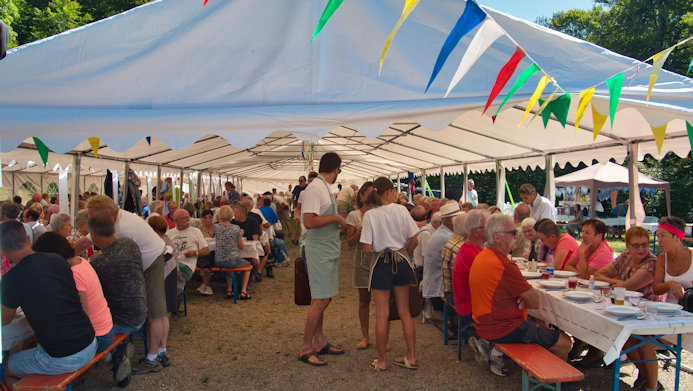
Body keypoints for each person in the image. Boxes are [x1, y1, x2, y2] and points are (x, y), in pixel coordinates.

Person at [73, 195, 169, 374]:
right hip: (147, 260)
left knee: (156, 312)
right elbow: (89, 239)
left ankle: (153, 357)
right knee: (157, 310)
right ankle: (161, 351)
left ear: (107, 214)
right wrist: (68, 251)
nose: (90, 219)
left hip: (152, 260)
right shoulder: (114, 221)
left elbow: (97, 244)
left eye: (92, 215)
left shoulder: (125, 229)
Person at [469, 214, 572, 376]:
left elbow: (516, 296)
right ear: (496, 237)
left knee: (541, 325)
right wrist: (524, 297)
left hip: (485, 323)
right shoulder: (504, 265)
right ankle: (548, 382)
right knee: (565, 342)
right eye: (512, 232)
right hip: (503, 328)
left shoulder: (483, 256)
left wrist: (521, 297)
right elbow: (534, 302)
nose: (518, 235)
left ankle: (541, 373)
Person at [1, 221, 97, 388]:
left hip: (64, 357)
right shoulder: (56, 259)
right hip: (90, 342)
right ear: (27, 238)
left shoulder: (12, 279)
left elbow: (4, 319)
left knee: (5, 368)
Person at [360, 177, 419, 371]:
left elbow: (367, 248)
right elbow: (415, 239)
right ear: (388, 192)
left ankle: (382, 361)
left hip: (381, 264)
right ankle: (411, 357)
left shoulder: (370, 215)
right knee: (404, 311)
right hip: (401, 261)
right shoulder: (401, 210)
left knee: (381, 314)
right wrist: (405, 253)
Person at [297, 152, 346, 367]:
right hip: (317, 249)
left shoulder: (322, 187)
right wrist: (336, 218)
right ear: (336, 169)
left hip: (325, 249)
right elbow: (309, 221)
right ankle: (306, 348)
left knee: (323, 297)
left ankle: (319, 342)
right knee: (320, 300)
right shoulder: (315, 188)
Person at [87, 212, 145, 382]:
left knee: (86, 328)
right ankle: (115, 352)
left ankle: (116, 353)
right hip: (141, 311)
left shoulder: (100, 264)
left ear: (94, 235)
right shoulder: (129, 244)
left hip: (122, 321)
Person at [33, 232, 114, 352]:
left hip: (98, 336)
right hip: (105, 328)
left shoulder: (73, 274)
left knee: (45, 341)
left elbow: (82, 315)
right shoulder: (80, 261)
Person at [345, 182, 375, 350]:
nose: (371, 198)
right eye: (369, 194)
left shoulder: (381, 213)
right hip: (362, 260)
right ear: (361, 196)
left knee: (382, 301)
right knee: (364, 300)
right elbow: (349, 243)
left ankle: (384, 337)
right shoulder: (354, 216)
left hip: (378, 257)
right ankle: (365, 336)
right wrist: (359, 232)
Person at [451, 209, 490, 332]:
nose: (491, 229)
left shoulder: (469, 248)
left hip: (466, 306)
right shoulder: (473, 254)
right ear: (475, 231)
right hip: (471, 309)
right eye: (487, 227)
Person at [422, 203, 463, 314]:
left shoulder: (443, 232)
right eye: (459, 218)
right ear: (449, 220)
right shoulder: (447, 236)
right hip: (439, 287)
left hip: (435, 282)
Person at [212, 206, 251, 299]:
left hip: (218, 260)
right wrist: (240, 235)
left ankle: (229, 289)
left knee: (229, 267)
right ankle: (243, 291)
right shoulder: (235, 228)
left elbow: (211, 234)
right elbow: (241, 247)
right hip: (232, 260)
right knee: (248, 266)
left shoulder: (216, 227)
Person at [167, 209, 210, 294]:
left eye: (188, 217)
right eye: (184, 218)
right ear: (176, 221)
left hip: (186, 266)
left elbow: (206, 250)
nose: (188, 220)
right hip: (171, 264)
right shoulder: (169, 233)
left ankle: (172, 297)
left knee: (172, 274)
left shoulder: (195, 231)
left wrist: (195, 253)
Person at [653, 216, 693, 304]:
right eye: (658, 236)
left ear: (677, 237)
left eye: (663, 236)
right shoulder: (662, 258)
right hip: (669, 311)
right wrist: (669, 284)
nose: (659, 240)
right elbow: (656, 289)